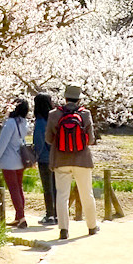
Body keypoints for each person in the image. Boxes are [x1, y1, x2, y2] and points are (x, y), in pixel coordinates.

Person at [45, 85, 98, 240]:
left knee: (62, 195)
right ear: (79, 98)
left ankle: (63, 229)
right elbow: (91, 139)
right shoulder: (86, 114)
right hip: (82, 160)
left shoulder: (54, 114)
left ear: (65, 97)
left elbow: (48, 139)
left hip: (61, 160)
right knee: (86, 193)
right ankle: (92, 226)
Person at [0, 98, 30, 228]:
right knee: (18, 188)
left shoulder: (10, 123)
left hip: (9, 162)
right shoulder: (24, 123)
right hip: (20, 160)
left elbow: (2, 144)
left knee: (13, 189)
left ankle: (21, 217)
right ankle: (19, 217)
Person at [32, 93, 57, 225]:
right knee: (56, 187)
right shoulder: (54, 119)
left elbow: (39, 142)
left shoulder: (40, 121)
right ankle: (58, 214)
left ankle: (50, 215)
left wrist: (35, 156)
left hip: (44, 159)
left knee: (47, 188)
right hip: (57, 158)